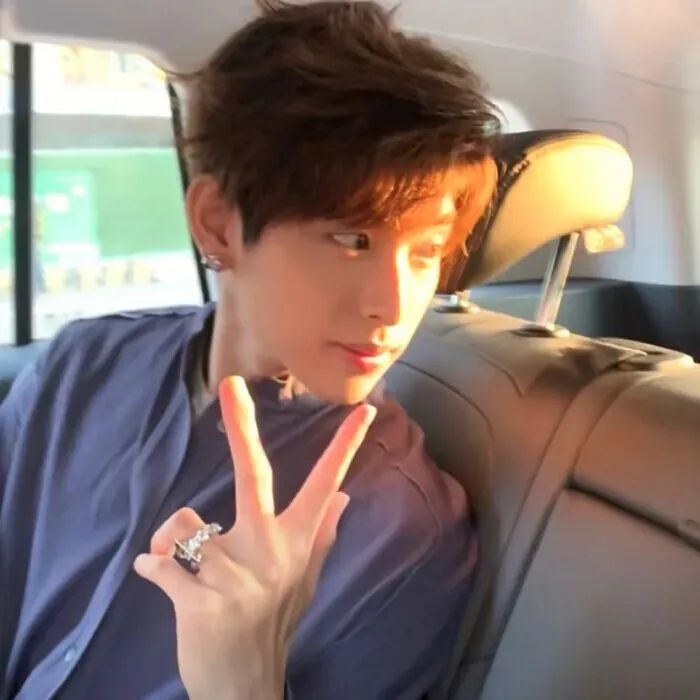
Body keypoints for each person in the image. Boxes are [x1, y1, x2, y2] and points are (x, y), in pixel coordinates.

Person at [0, 1, 499, 698]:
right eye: (353, 239)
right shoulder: (82, 366)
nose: (392, 305)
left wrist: (244, 680)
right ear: (218, 225)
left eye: (425, 252)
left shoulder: (402, 531)